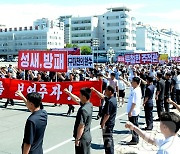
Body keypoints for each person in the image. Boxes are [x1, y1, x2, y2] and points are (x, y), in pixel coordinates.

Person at [64, 87, 92, 154]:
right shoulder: (89, 105)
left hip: (82, 138)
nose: (79, 96)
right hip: (87, 136)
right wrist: (69, 93)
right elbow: (77, 99)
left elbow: (81, 126)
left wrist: (78, 139)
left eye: (80, 95)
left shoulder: (83, 110)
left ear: (84, 97)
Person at [91, 85, 117, 154]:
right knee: (109, 139)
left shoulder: (110, 102)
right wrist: (95, 91)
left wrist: (103, 123)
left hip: (108, 123)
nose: (105, 91)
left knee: (108, 140)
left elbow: (107, 115)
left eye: (106, 90)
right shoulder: (113, 99)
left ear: (110, 91)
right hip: (110, 123)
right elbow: (102, 97)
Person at [126, 77, 142, 145]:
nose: (131, 83)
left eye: (132, 82)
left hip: (133, 112)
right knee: (134, 125)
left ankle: (135, 139)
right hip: (134, 111)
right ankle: (134, 138)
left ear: (136, 82)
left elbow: (134, 103)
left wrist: (130, 111)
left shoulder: (136, 91)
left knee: (133, 125)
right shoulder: (135, 89)